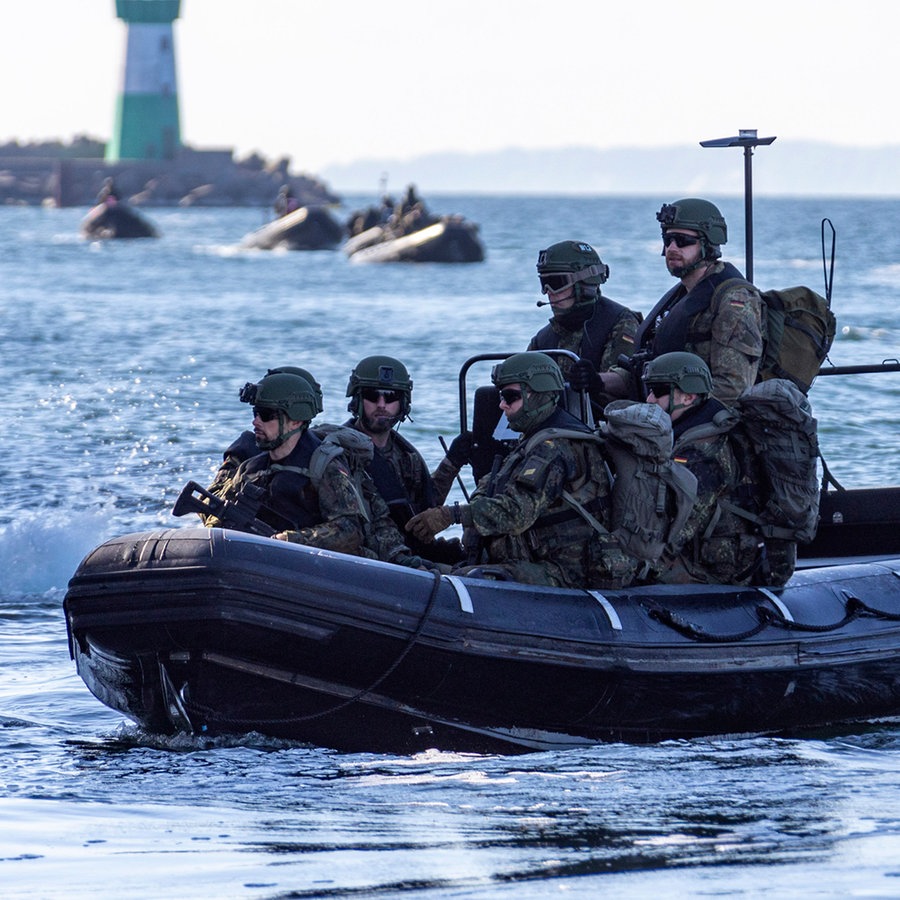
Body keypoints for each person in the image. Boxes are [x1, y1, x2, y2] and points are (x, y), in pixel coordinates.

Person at [407, 353, 636, 589]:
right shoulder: (533, 441)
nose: (502, 405)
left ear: (537, 395)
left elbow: (516, 513)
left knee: (468, 581)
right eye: (501, 396)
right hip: (536, 560)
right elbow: (493, 486)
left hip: (567, 571)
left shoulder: (556, 448)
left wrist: (450, 515)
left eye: (510, 396)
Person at [601, 199, 765, 407]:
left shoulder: (733, 301)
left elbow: (733, 388)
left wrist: (669, 407)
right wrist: (598, 380)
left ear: (707, 243)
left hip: (712, 425)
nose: (671, 248)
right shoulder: (681, 297)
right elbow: (646, 369)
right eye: (667, 239)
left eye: (682, 240)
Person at [204, 370, 368, 555]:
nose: (255, 422)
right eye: (256, 413)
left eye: (266, 415)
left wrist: (289, 540)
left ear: (296, 421)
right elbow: (215, 512)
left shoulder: (324, 468)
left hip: (313, 566)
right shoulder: (250, 469)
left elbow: (350, 531)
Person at [640, 352, 767, 585]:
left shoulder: (702, 453)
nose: (649, 400)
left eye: (657, 391)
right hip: (709, 549)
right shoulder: (700, 427)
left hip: (720, 567)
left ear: (687, 397)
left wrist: (631, 569)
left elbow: (677, 531)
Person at [530, 240, 641, 410]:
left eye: (557, 282)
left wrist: (595, 380)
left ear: (585, 284)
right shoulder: (544, 338)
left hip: (605, 425)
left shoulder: (620, 323)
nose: (549, 292)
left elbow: (629, 378)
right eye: (544, 284)